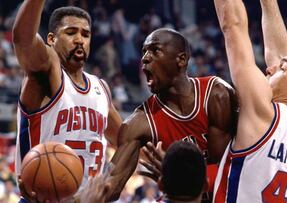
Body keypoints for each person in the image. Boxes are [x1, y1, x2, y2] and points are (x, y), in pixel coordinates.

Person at [212, 0, 287, 202]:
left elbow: (232, 26)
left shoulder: (264, 112)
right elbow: (280, 55)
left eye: (282, 68)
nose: (270, 68)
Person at [99, 27, 237, 201]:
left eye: (155, 50)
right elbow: (110, 186)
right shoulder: (139, 123)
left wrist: (177, 176)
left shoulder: (216, 94)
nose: (145, 58)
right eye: (143, 52)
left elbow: (226, 169)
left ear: (182, 59)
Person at [12, 1, 122, 201]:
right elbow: (23, 40)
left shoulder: (101, 87)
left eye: (85, 34)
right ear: (52, 39)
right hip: (42, 197)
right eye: (71, 33)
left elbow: (126, 141)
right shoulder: (46, 71)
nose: (80, 39)